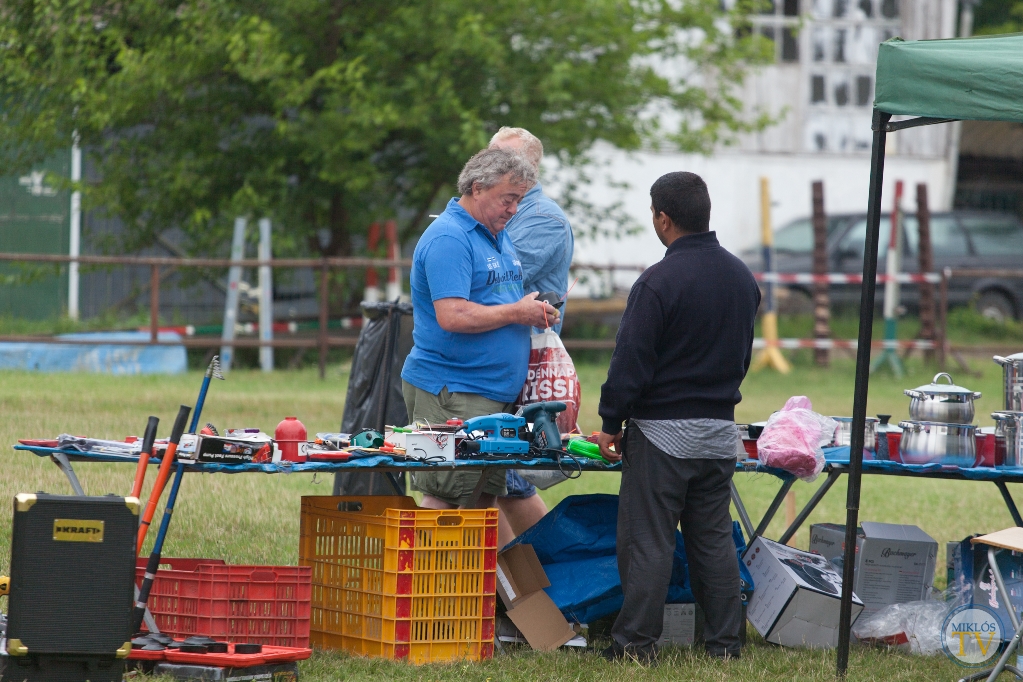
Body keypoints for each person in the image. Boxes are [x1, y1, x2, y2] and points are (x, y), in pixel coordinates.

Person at [596, 171, 760, 662]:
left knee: (648, 542)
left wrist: (610, 422)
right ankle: (726, 645)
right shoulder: (741, 277)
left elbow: (631, 363)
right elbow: (742, 357)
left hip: (663, 436)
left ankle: (635, 647)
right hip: (717, 433)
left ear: (663, 218)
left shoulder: (657, 281)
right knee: (713, 541)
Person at [401, 147, 560, 510]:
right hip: (452, 390)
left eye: (519, 200)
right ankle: (424, 569)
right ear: (477, 188)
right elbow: (452, 315)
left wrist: (532, 309)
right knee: (443, 494)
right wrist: (517, 313)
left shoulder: (495, 233)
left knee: (482, 500)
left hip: (492, 394)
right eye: (508, 198)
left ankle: (470, 570)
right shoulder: (449, 238)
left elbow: (494, 299)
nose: (514, 209)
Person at [487, 127, 575, 547]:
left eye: (502, 159)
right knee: (500, 478)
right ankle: (526, 594)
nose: (490, 167)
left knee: (504, 476)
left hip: (523, 366)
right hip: (500, 359)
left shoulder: (542, 219)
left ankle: (535, 589)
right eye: (488, 157)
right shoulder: (505, 214)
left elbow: (490, 277)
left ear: (530, 167)